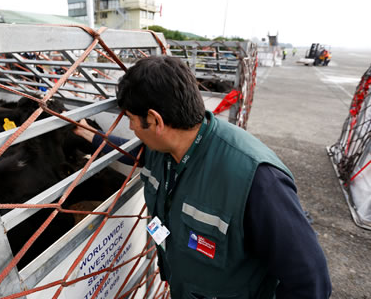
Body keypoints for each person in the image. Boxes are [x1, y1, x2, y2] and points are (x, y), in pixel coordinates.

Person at [74, 56, 332, 298]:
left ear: (155, 120)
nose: (130, 128)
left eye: (131, 119)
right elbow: (132, 153)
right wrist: (90, 136)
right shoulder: (162, 150)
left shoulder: (257, 180)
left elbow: (311, 279)